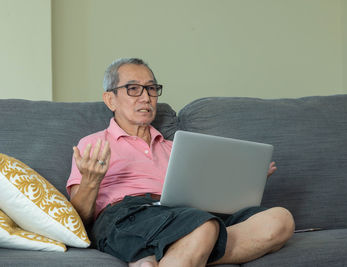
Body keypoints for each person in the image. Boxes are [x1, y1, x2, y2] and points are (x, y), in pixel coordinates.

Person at [67, 58, 295, 267]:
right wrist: (91, 181)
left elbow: (206, 199)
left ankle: (168, 255)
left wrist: (242, 184)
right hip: (126, 216)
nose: (146, 97)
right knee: (202, 226)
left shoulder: (178, 148)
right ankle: (186, 247)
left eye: (152, 89)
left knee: (279, 220)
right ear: (110, 99)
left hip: (184, 214)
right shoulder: (94, 144)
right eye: (134, 89)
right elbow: (78, 219)